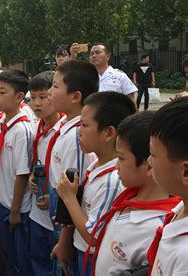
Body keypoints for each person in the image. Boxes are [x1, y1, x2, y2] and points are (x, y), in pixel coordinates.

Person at [86, 111, 181, 275]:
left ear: (149, 165)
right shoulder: (128, 198)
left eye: (121, 158)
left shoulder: (158, 226)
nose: (116, 166)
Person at [56, 92, 135, 275]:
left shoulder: (112, 181)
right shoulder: (95, 164)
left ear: (109, 133)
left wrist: (69, 198)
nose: (78, 131)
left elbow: (93, 236)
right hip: (80, 249)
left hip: (92, 257)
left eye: (84, 125)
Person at [47, 60, 99, 275]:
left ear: (75, 96)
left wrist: (65, 240)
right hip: (59, 204)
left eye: (55, 86)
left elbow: (73, 191)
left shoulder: (76, 137)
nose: (50, 91)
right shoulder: (64, 125)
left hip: (68, 215)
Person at [0, 71, 33, 275]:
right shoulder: (3, 124)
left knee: (19, 258)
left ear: (19, 97)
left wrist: (15, 211)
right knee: (6, 254)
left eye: (2, 92)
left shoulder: (22, 130)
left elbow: (22, 174)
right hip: (1, 199)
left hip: (15, 207)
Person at [27, 71, 65, 276]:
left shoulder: (66, 132)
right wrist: (33, 176)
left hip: (56, 215)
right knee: (38, 261)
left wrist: (52, 197)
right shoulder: (37, 128)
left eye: (43, 97)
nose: (36, 103)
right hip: (37, 212)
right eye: (32, 98)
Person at [146, 97, 188, 275]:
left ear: (186, 172)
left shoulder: (185, 255)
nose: (148, 162)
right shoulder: (179, 209)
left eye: (153, 154)